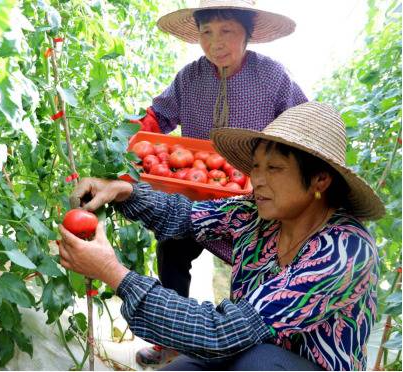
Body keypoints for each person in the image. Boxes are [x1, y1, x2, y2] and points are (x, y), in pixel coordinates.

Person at [59, 102, 385, 371]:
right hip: (244, 350)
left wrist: (113, 273)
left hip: (273, 360)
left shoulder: (344, 249)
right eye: (256, 167)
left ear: (320, 180)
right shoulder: (254, 214)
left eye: (274, 169)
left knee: (260, 363)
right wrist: (124, 192)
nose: (257, 179)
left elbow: (224, 332)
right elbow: (184, 216)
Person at [131, 0, 308, 365]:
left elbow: (301, 124)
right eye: (206, 33)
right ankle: (171, 340)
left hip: (254, 198)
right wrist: (128, 140)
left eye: (226, 31)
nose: (216, 43)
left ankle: (243, 347)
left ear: (248, 33)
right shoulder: (189, 77)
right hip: (194, 193)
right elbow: (158, 116)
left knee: (256, 268)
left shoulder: (272, 77)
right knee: (171, 252)